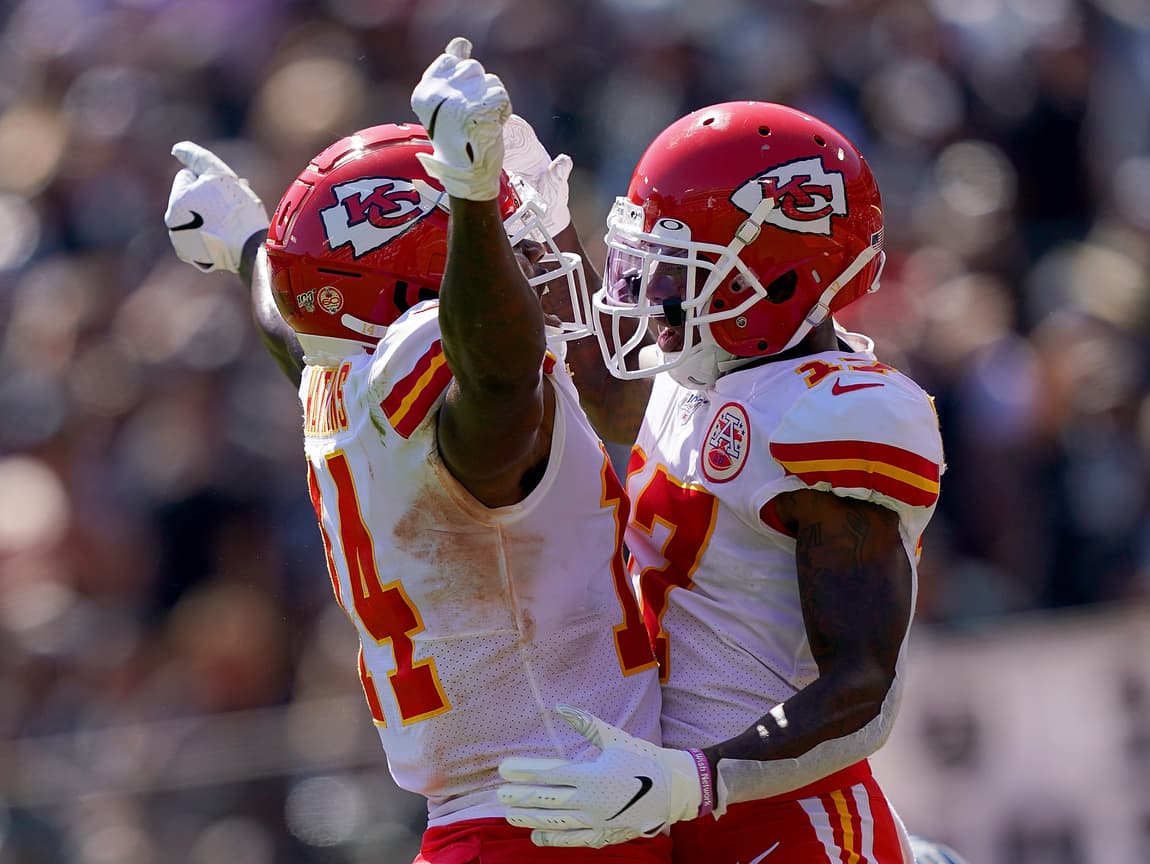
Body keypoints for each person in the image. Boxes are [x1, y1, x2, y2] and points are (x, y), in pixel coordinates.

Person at [163, 38, 668, 863]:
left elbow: (297, 328)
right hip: (561, 818)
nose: (531, 255)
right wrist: (469, 197)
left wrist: (249, 247)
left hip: (499, 817)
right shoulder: (462, 392)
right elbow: (499, 381)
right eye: (503, 245)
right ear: (425, 298)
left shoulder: (340, 373)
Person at [495, 101, 946, 864]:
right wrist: (539, 223)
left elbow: (864, 689)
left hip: (786, 819)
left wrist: (693, 781)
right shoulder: (709, 364)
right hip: (675, 803)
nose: (651, 292)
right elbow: (609, 389)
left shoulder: (833, 416)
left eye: (677, 268)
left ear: (776, 278)